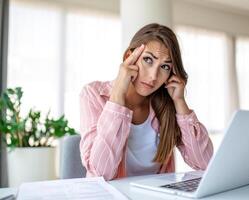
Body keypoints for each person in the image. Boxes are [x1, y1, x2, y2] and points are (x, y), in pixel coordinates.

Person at [79, 23, 213, 181]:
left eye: (164, 66)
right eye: (148, 60)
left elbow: (206, 163)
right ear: (130, 57)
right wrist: (117, 97)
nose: (153, 76)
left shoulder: (167, 104)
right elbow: (100, 173)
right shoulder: (94, 94)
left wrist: (180, 102)